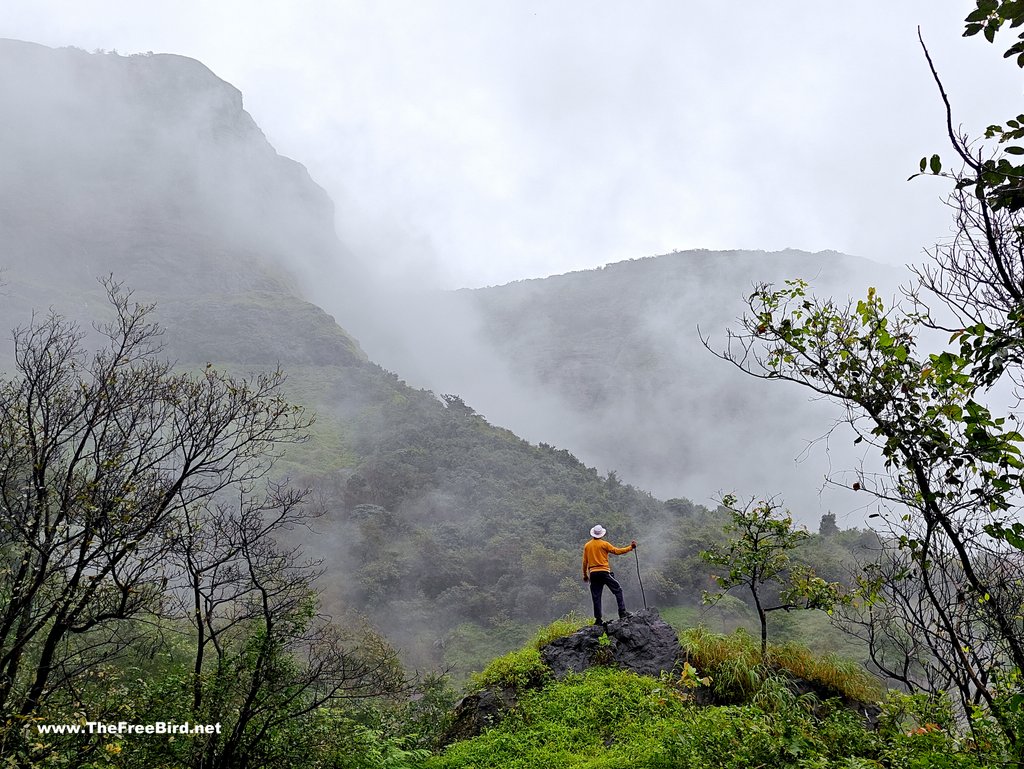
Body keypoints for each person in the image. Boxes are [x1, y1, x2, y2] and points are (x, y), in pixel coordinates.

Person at [582, 524, 637, 626]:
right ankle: (622, 612)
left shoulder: (587, 545)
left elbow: (585, 562)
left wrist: (585, 575)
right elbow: (617, 551)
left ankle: (598, 620)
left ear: (593, 533)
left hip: (593, 574)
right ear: (601, 534)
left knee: (596, 596)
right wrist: (630, 547)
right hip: (604, 572)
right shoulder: (604, 544)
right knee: (618, 589)